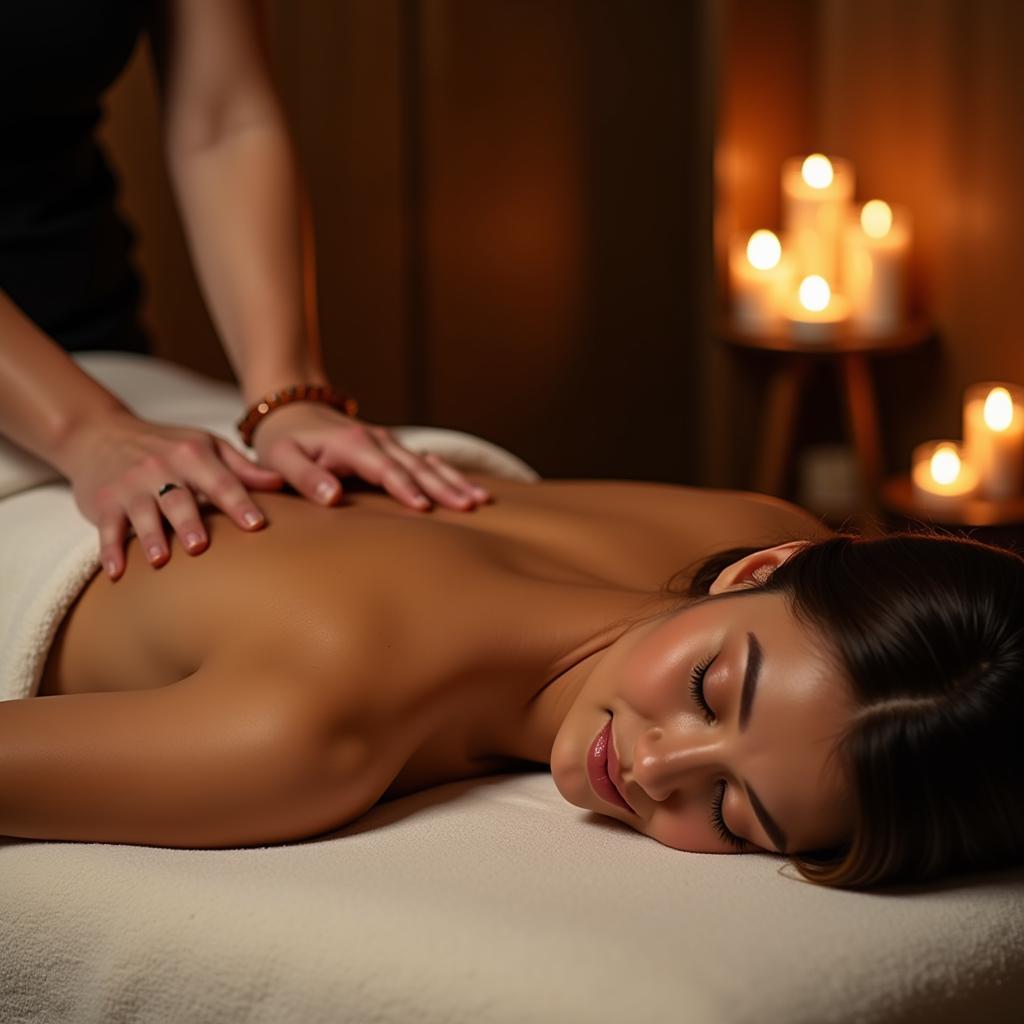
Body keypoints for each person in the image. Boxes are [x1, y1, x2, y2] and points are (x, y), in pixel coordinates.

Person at [1, 474, 1022, 893]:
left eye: (730, 807)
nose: (655, 765)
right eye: (711, 692)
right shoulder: (303, 735)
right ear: (761, 568)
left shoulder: (755, 524)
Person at [0, 0, 489, 585]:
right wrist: (84, 430)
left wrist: (287, 393)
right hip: (63, 412)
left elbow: (226, 120)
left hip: (104, 353)